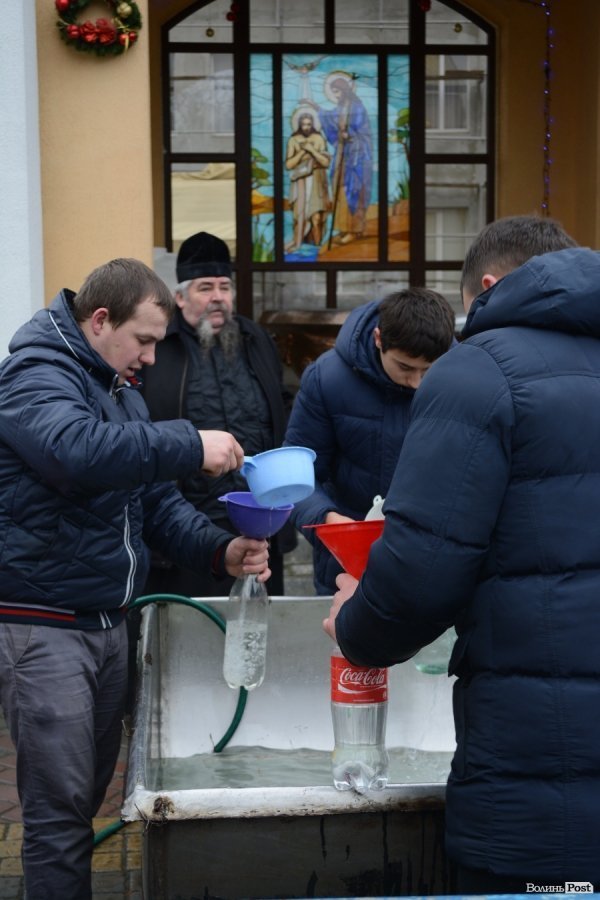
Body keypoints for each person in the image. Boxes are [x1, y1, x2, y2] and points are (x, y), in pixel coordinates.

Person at [323, 215, 600, 890]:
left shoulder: (479, 371)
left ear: (487, 287)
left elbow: (421, 576)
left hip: (538, 778)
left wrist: (357, 624)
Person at [0, 257, 271, 899]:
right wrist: (190, 443)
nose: (151, 357)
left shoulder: (118, 388)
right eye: (143, 340)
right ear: (100, 320)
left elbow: (153, 503)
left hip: (106, 624)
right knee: (59, 815)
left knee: (86, 796)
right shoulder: (35, 376)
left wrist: (221, 551)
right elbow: (77, 452)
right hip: (45, 628)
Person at [141, 230, 296, 599]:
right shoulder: (158, 348)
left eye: (224, 287)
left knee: (257, 625)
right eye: (205, 288)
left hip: (259, 526)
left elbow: (284, 405)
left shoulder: (256, 339)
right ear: (180, 297)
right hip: (186, 532)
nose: (218, 297)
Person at [284, 288, 456, 595]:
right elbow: (296, 473)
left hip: (434, 560)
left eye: (428, 370)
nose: (416, 383)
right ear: (378, 339)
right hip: (348, 561)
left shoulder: (462, 377)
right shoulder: (326, 378)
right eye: (405, 367)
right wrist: (326, 519)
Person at [306, 73, 373, 246]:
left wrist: (349, 135)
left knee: (353, 191)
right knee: (340, 189)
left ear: (344, 90)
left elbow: (364, 133)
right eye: (333, 92)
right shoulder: (341, 107)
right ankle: (344, 228)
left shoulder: (357, 107)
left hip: (357, 158)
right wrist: (317, 108)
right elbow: (330, 119)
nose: (335, 95)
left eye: (337, 91)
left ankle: (354, 230)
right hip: (343, 155)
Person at [284, 109, 331, 253]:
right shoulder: (293, 140)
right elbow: (288, 164)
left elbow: (325, 162)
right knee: (300, 217)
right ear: (299, 125)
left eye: (309, 124)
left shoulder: (319, 139)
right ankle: (300, 245)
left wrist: (311, 150)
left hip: (317, 180)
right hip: (300, 182)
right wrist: (302, 152)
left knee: (316, 218)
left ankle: (317, 249)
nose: (306, 127)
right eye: (303, 124)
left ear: (313, 125)